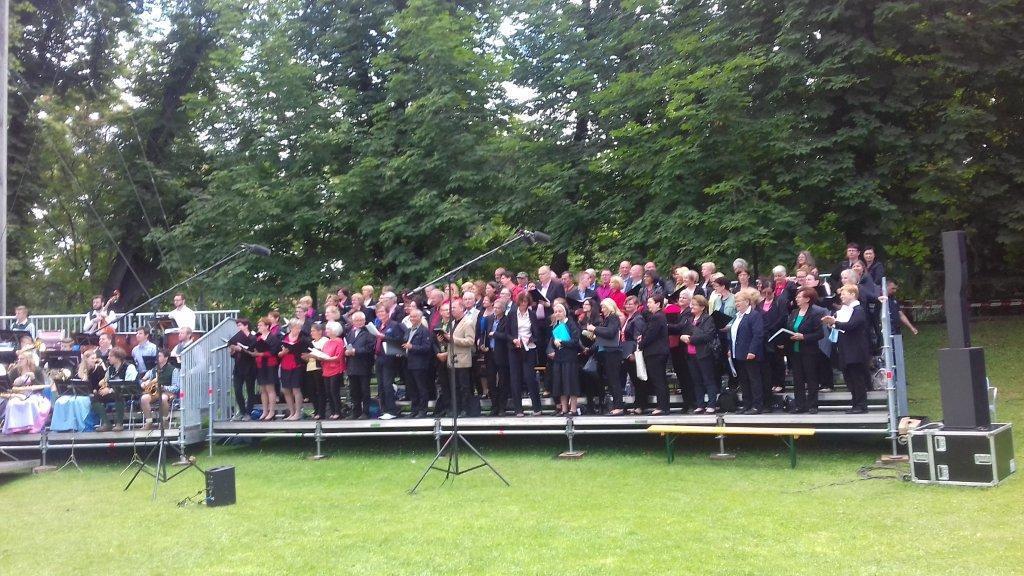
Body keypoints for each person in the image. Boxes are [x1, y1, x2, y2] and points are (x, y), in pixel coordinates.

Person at [822, 285, 872, 414]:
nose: (841, 296)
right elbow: (840, 326)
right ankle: (855, 404)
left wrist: (834, 322)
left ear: (853, 294)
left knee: (857, 378)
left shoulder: (858, 309)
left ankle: (861, 405)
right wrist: (832, 323)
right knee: (849, 378)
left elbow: (851, 325)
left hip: (855, 350)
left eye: (844, 294)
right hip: (845, 349)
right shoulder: (844, 310)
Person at [786, 288, 827, 414]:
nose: (796, 299)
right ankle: (800, 405)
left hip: (809, 351)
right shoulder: (794, 312)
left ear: (807, 299)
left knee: (811, 378)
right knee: (797, 379)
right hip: (795, 350)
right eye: (797, 296)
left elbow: (820, 334)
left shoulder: (814, 313)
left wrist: (803, 337)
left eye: (799, 297)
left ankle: (813, 405)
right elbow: (789, 327)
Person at [505, 291, 542, 416]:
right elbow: (507, 333)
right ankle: (518, 409)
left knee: (529, 377)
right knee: (515, 378)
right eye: (521, 301)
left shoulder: (532, 315)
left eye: (525, 302)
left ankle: (537, 407)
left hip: (529, 349)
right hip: (514, 349)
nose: (523, 304)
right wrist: (514, 340)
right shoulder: (511, 314)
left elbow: (537, 334)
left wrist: (530, 339)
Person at [680, 295, 719, 413]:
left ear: (702, 307)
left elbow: (707, 335)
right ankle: (700, 404)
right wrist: (683, 337)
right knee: (696, 380)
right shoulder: (689, 319)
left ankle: (711, 404)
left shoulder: (707, 319)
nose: (691, 306)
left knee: (708, 379)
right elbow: (684, 332)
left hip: (703, 353)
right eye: (691, 304)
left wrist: (690, 339)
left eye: (695, 304)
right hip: (690, 354)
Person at [728, 289, 765, 414]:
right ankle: (746, 404)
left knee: (754, 380)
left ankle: (757, 405)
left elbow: (758, 334)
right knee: (743, 380)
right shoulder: (737, 316)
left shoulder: (754, 315)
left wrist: (752, 351)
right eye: (736, 301)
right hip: (738, 353)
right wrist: (730, 349)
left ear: (747, 302)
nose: (737, 303)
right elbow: (734, 335)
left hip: (750, 353)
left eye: (739, 301)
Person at [587, 298, 625, 416]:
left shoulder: (613, 317)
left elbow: (610, 332)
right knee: (611, 380)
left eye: (603, 307)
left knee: (614, 380)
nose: (602, 309)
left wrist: (595, 329)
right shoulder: (607, 319)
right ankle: (616, 406)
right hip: (607, 352)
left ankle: (619, 406)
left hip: (613, 352)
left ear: (609, 307)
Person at [2, 351, 51, 434]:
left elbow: (41, 387)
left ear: (28, 360)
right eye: (18, 359)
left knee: (30, 403)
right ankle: (15, 427)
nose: (19, 361)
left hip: (34, 394)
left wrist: (33, 378)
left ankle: (30, 427)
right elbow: (9, 386)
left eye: (22, 359)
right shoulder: (14, 371)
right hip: (18, 394)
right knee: (12, 403)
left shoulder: (37, 370)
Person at [546, 302, 581, 417]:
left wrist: (562, 342)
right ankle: (564, 409)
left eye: (560, 311)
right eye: (555, 312)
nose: (557, 313)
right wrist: (555, 343)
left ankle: (573, 409)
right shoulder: (556, 325)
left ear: (565, 312)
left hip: (570, 358)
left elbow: (575, 341)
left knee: (571, 383)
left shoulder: (571, 324)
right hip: (559, 358)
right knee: (560, 383)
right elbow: (553, 341)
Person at [756, 277, 788, 398]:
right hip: (765, 336)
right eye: (764, 293)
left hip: (777, 334)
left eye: (769, 293)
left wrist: (770, 327)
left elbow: (783, 317)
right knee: (767, 361)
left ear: (774, 291)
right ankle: (771, 382)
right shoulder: (760, 304)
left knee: (778, 360)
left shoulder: (780, 301)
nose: (766, 295)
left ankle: (780, 382)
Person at [638, 295, 670, 415]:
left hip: (655, 352)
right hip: (658, 352)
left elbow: (651, 335)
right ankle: (664, 406)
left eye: (650, 302)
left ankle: (662, 406)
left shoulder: (657, 317)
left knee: (658, 380)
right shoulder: (659, 316)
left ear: (658, 304)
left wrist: (641, 344)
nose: (648, 305)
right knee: (660, 379)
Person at [374, 307, 406, 419]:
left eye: (382, 311)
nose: (380, 313)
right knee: (381, 385)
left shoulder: (394, 325)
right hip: (379, 357)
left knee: (387, 384)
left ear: (388, 313)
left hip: (390, 357)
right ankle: (384, 409)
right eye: (378, 312)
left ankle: (392, 410)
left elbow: (399, 340)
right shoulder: (379, 326)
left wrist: (385, 337)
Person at [665, 291, 694, 413]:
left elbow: (680, 327)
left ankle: (691, 403)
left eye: (684, 298)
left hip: (684, 348)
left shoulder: (688, 312)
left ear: (690, 300)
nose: (681, 299)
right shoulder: (679, 312)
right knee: (681, 377)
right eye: (680, 297)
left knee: (687, 376)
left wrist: (665, 325)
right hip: (676, 348)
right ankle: (686, 402)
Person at [96, 347, 137, 431]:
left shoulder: (129, 367)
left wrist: (110, 390)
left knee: (118, 394)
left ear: (118, 358)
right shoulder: (110, 368)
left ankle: (119, 424)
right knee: (94, 397)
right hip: (112, 392)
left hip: (127, 393)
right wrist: (103, 384)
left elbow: (129, 384)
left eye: (110, 356)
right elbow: (105, 380)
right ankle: (106, 423)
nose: (108, 358)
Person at [344, 311, 376, 419]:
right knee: (354, 391)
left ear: (364, 320)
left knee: (365, 390)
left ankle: (366, 412)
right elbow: (347, 345)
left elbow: (370, 348)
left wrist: (355, 351)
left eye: (361, 320)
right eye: (356, 320)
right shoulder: (350, 333)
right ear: (353, 321)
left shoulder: (369, 332)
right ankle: (356, 412)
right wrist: (346, 352)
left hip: (364, 365)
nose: (359, 322)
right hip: (352, 365)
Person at [402, 310, 433, 418]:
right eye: (411, 317)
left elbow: (427, 347)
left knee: (421, 387)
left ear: (420, 317)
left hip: (420, 364)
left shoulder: (424, 331)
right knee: (412, 388)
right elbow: (404, 343)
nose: (412, 319)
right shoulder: (408, 330)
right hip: (408, 362)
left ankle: (422, 410)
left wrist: (412, 347)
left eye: (415, 316)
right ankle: (414, 410)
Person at [138, 349, 179, 430]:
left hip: (168, 392)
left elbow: (176, 387)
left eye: (159, 356)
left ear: (166, 358)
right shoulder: (153, 370)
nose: (157, 357)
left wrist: (163, 387)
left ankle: (164, 421)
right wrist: (143, 383)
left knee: (163, 398)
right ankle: (149, 422)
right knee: (144, 398)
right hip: (155, 391)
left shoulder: (174, 370)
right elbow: (143, 379)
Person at [482, 300, 510, 416]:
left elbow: (508, 335)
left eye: (498, 308)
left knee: (503, 381)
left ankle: (502, 407)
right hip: (490, 353)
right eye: (494, 307)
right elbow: (483, 333)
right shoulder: (489, 319)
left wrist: (496, 334)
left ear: (503, 310)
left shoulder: (507, 320)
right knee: (491, 380)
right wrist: (482, 344)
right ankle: (494, 406)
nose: (495, 310)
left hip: (502, 353)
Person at [227, 318, 258, 420]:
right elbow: (231, 347)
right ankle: (242, 411)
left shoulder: (253, 338)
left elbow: (252, 353)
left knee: (250, 390)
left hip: (250, 367)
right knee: (237, 390)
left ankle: (248, 412)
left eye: (240, 325)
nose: (238, 327)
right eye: (238, 325)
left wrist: (241, 349)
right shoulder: (237, 336)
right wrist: (232, 350)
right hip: (238, 367)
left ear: (246, 325)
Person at [253, 317, 281, 421]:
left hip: (270, 365)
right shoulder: (258, 338)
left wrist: (261, 353)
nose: (258, 327)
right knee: (263, 389)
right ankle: (265, 411)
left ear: (267, 326)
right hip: (260, 364)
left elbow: (274, 351)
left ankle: (272, 411)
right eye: (258, 325)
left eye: (260, 325)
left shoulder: (273, 338)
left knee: (270, 389)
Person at [319, 321, 347, 420]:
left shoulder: (339, 341)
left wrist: (327, 359)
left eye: (328, 329)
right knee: (328, 392)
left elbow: (339, 356)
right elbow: (323, 354)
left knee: (334, 391)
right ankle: (333, 411)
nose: (326, 331)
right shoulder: (327, 342)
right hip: (326, 369)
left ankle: (338, 412)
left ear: (334, 330)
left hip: (336, 369)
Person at [301, 323, 328, 419]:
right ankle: (316, 410)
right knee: (311, 391)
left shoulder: (325, 341)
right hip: (310, 367)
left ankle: (321, 412)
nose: (311, 333)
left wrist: (314, 355)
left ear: (320, 331)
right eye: (311, 331)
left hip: (319, 368)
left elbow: (325, 354)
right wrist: (306, 357)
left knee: (320, 390)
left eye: (313, 331)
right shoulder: (311, 342)